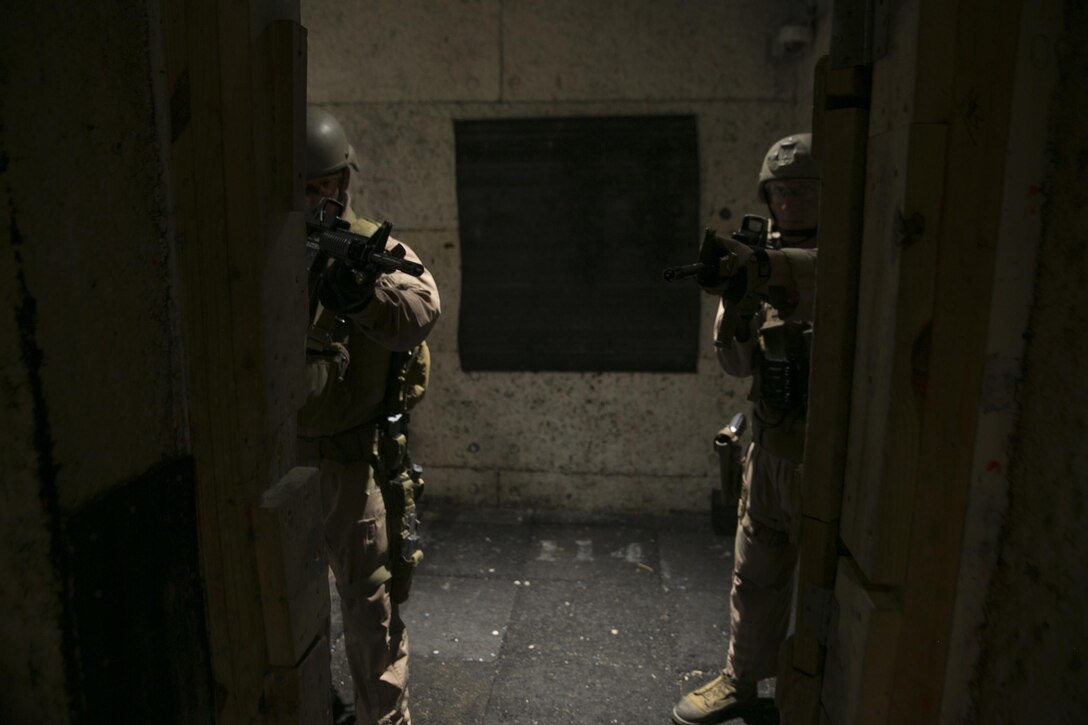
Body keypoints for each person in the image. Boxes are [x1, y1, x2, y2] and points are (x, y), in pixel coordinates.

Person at [298, 107, 440, 725]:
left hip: (351, 464)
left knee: (368, 605)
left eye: (324, 186)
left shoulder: (367, 249)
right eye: (303, 189)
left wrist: (363, 295)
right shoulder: (265, 252)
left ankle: (383, 717)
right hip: (279, 460)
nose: (315, 201)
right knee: (288, 600)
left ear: (344, 183)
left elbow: (420, 307)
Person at [672, 133, 819, 725]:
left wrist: (772, 272)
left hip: (830, 454)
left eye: (802, 189)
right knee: (755, 571)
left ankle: (817, 690)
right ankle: (742, 678)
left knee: (827, 586)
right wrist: (739, 304)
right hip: (772, 442)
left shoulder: (852, 261)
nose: (789, 201)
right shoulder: (756, 262)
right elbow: (735, 365)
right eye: (779, 191)